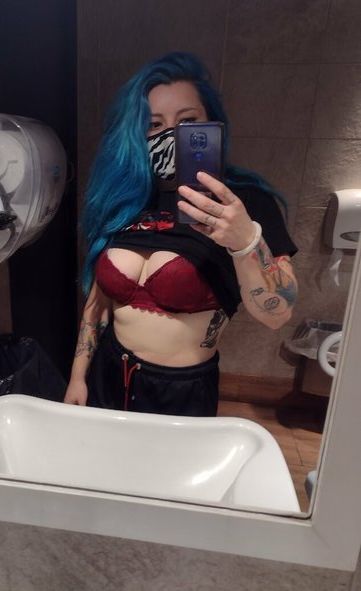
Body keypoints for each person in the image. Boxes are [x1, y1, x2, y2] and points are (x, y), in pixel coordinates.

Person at [64, 52, 298, 417]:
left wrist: (244, 241)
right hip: (108, 375)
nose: (170, 134)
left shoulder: (242, 203)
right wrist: (78, 376)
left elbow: (278, 314)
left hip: (181, 393)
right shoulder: (125, 199)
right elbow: (98, 303)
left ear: (212, 124)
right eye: (154, 124)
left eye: (187, 121)